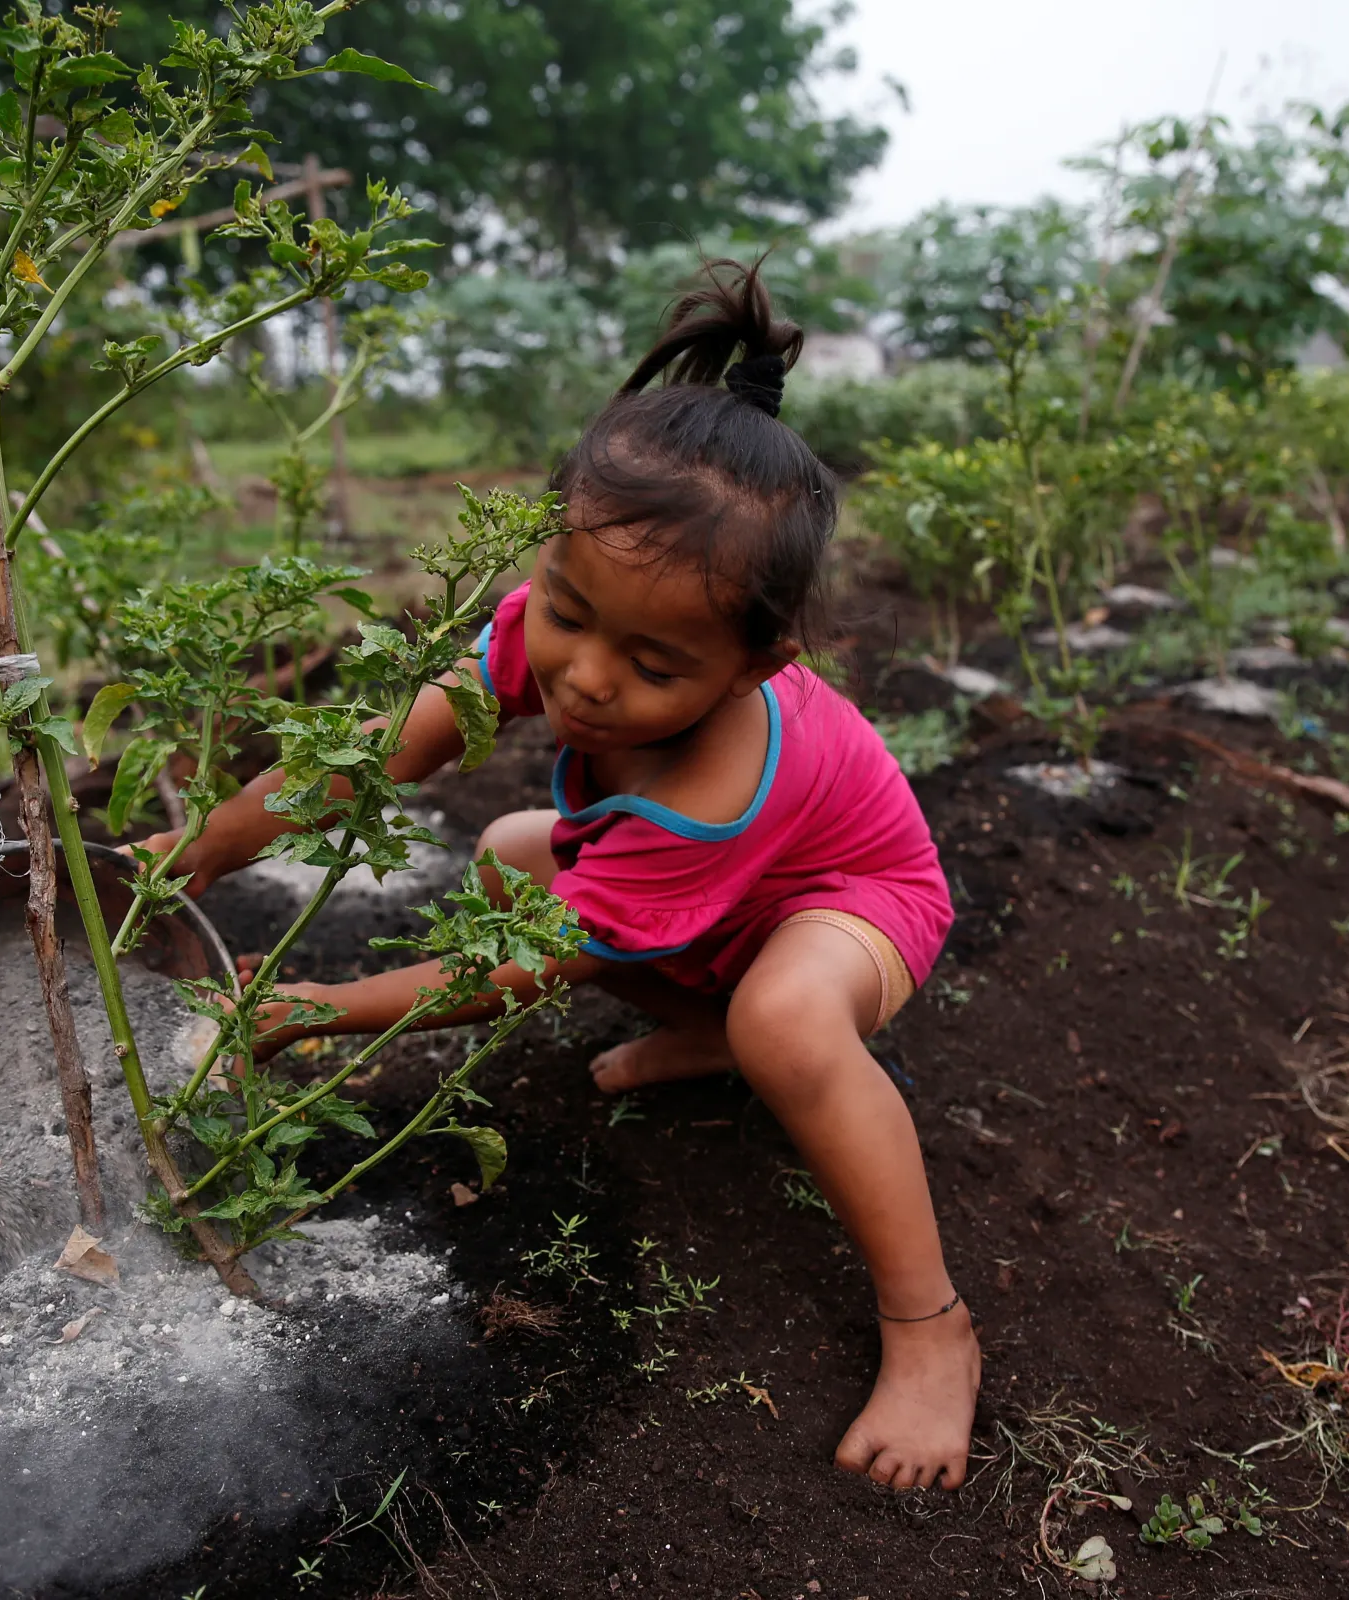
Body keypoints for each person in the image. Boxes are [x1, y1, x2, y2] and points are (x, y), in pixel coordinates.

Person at [145, 261, 975, 1491]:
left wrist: (303, 1010)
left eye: (650, 662)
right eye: (569, 612)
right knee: (505, 848)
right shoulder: (572, 623)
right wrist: (215, 837)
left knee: (789, 1019)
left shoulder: (704, 791)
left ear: (756, 667)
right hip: (733, 902)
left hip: (857, 904)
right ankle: (712, 1035)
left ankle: (929, 1327)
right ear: (554, 553)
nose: (584, 676)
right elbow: (384, 752)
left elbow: (528, 964)